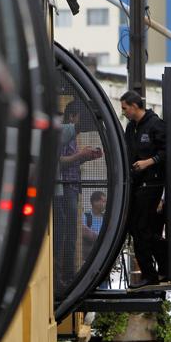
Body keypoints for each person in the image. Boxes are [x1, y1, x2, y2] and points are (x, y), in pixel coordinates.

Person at [120, 90, 167, 288]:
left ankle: (151, 274)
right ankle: (164, 265)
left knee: (142, 229)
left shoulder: (155, 124)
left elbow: (168, 152)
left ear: (134, 106)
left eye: (124, 108)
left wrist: (149, 162)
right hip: (136, 184)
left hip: (152, 184)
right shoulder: (131, 128)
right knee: (137, 229)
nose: (123, 112)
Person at [55, 101, 102, 295]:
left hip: (72, 187)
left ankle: (68, 275)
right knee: (64, 234)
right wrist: (80, 155)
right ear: (73, 117)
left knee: (70, 233)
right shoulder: (62, 133)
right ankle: (63, 276)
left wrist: (85, 155)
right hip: (64, 188)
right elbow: (59, 162)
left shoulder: (72, 137)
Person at [82, 191, 109, 289]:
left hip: (102, 258)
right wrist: (100, 238)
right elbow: (83, 231)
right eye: (103, 201)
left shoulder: (106, 218)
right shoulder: (86, 216)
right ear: (94, 202)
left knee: (102, 282)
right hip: (88, 258)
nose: (105, 204)